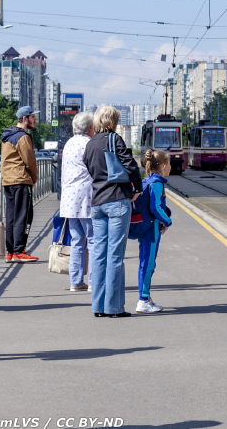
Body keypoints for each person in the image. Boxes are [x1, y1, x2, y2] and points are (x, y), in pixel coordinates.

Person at [83, 105, 141, 318]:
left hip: (97, 204)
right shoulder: (114, 139)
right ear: (113, 121)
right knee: (115, 256)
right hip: (117, 201)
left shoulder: (90, 144)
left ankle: (98, 307)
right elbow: (131, 166)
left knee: (98, 255)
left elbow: (89, 168)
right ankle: (114, 308)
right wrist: (138, 188)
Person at [130, 150, 173, 314]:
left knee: (145, 263)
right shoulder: (157, 183)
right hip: (152, 228)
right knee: (148, 264)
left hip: (146, 226)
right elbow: (155, 207)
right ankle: (143, 300)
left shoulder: (147, 180)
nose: (170, 167)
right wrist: (167, 221)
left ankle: (145, 297)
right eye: (169, 164)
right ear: (163, 166)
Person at [59, 111, 96, 293]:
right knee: (93, 240)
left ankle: (76, 281)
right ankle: (94, 281)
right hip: (86, 198)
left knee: (76, 241)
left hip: (69, 199)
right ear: (90, 127)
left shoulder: (69, 143)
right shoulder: (89, 144)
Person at [1, 105, 39, 262]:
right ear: (25, 119)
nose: (34, 120)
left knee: (11, 216)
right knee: (24, 215)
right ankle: (19, 251)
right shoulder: (22, 137)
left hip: (8, 180)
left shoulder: (8, 136)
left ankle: (10, 251)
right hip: (21, 179)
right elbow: (30, 161)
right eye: (32, 117)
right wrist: (34, 179)